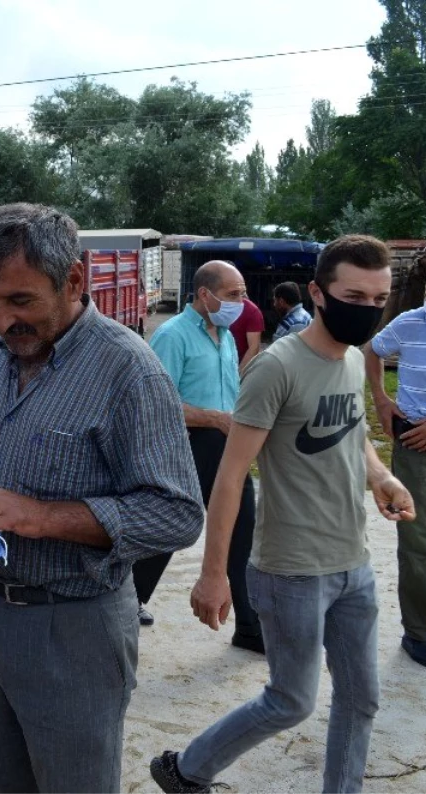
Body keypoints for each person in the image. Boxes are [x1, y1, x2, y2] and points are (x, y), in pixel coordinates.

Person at [0, 203, 204, 794]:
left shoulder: (129, 372)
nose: (0, 320)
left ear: (72, 281)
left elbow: (177, 512)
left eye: (19, 301)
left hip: (77, 626)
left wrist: (45, 517)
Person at [152, 234, 416, 794]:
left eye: (378, 299)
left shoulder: (348, 362)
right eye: (354, 295)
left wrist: (383, 476)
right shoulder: (276, 368)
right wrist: (213, 573)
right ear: (319, 293)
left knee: (361, 698)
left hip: (354, 564)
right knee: (291, 701)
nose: (367, 309)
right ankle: (186, 770)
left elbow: (352, 437)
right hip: (291, 570)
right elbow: (230, 475)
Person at [138, 261, 263, 651]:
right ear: (205, 294)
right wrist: (211, 417)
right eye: (232, 295)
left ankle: (249, 626)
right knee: (170, 529)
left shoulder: (224, 333)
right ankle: (127, 601)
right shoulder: (174, 336)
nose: (241, 303)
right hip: (189, 444)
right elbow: (154, 402)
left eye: (242, 294)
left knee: (241, 531)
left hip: (226, 445)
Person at [367, 259, 426, 670]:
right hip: (415, 447)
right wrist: (382, 400)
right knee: (419, 544)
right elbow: (372, 350)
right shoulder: (411, 322)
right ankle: (418, 635)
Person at [228, 293, 265, 371]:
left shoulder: (251, 311)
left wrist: (238, 375)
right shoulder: (210, 306)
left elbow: (254, 348)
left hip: (238, 365)